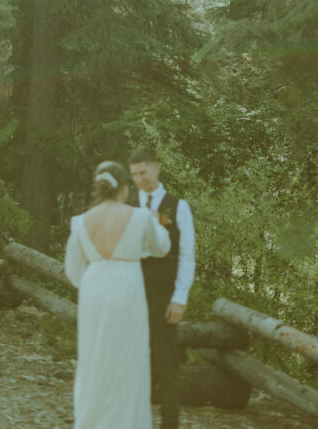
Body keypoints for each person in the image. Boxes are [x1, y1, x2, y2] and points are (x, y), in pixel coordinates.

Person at [64, 160, 171, 429]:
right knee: (128, 358)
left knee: (94, 356)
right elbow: (161, 247)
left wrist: (92, 286)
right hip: (128, 287)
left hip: (94, 288)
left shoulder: (80, 222)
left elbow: (73, 269)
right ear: (123, 187)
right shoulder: (140, 216)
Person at [128, 147, 195, 429]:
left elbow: (187, 256)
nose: (140, 179)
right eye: (134, 175)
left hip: (162, 295)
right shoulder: (128, 204)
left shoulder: (177, 206)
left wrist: (179, 299)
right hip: (129, 295)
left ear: (157, 169)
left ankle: (169, 424)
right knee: (131, 362)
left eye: (143, 172)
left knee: (166, 364)